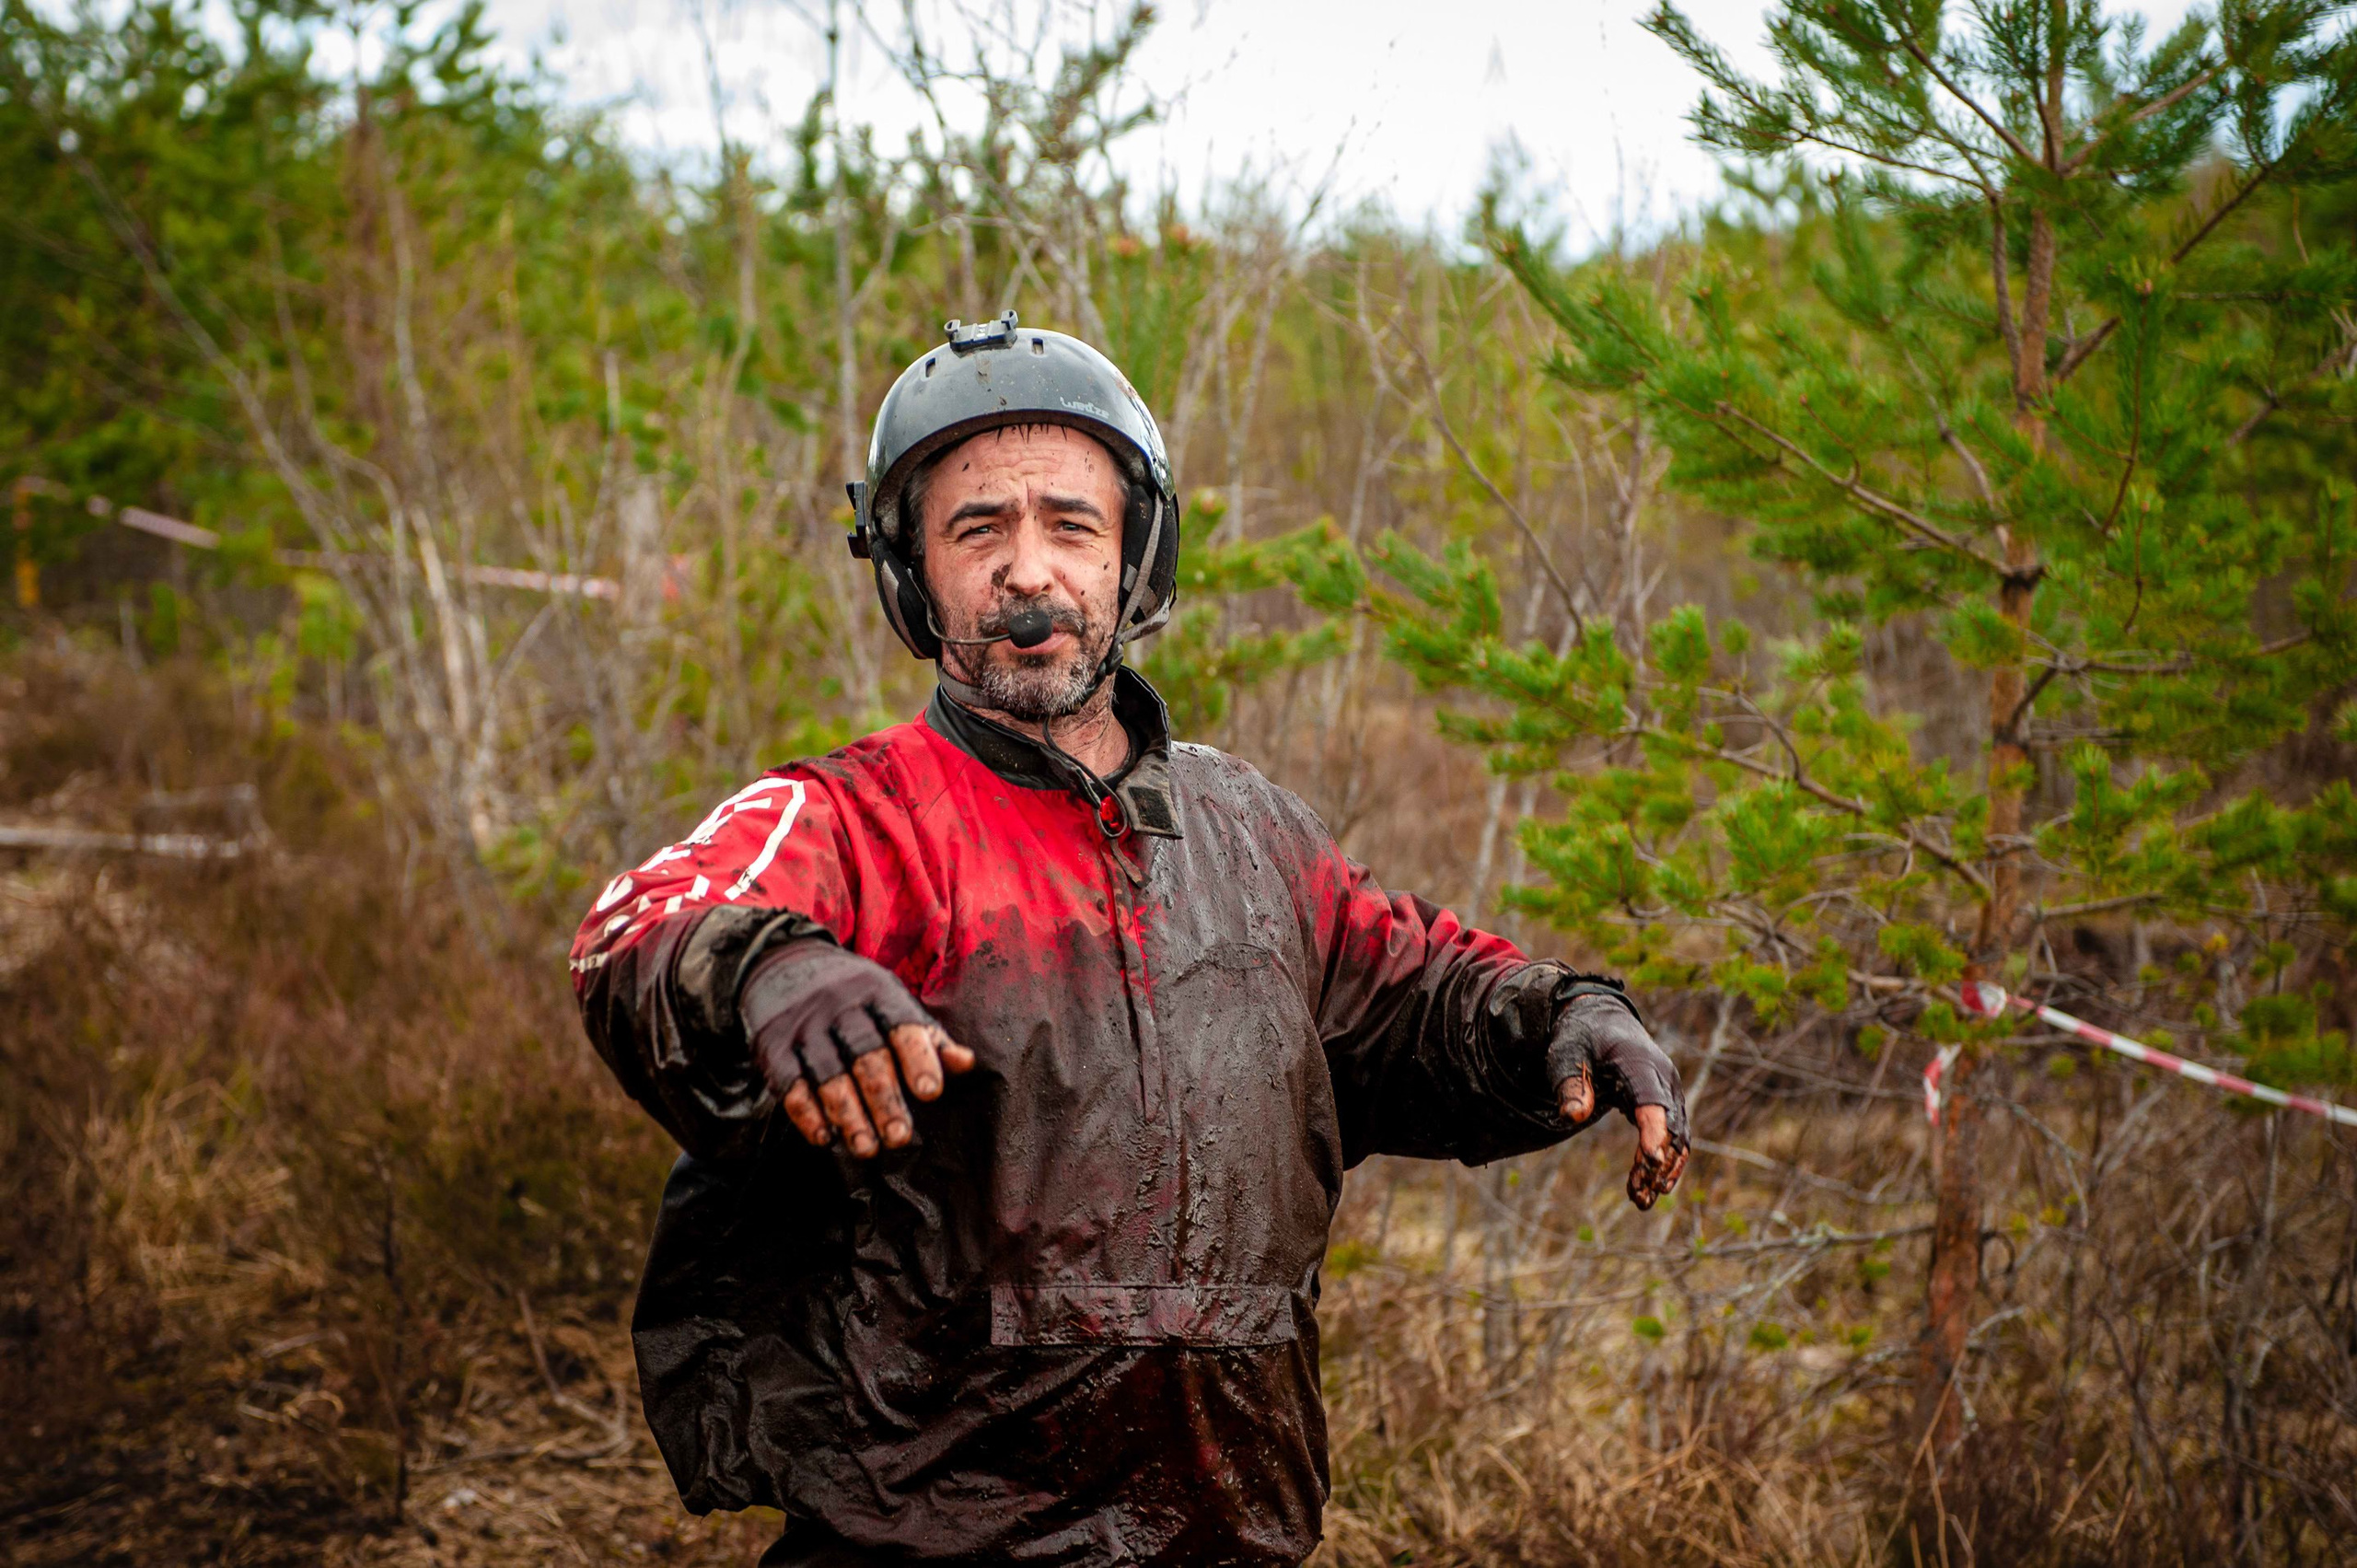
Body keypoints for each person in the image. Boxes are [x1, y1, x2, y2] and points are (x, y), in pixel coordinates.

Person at [568, 310, 1689, 1567]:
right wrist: (772, 971)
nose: (1028, 570)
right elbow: (640, 924)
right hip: (915, 1539)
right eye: (976, 529)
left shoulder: (1255, 835)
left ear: (1133, 559)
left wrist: (1571, 1016)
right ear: (912, 573)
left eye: (1072, 525)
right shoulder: (854, 814)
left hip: (1231, 1533)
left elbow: (1419, 993)